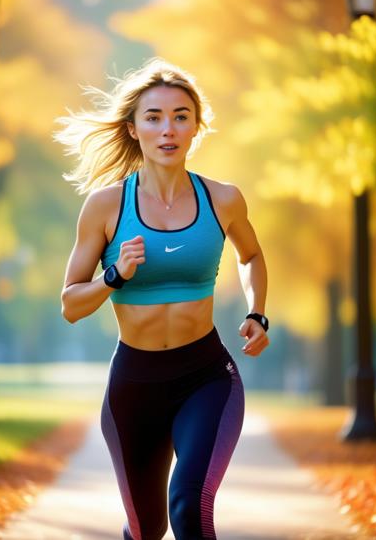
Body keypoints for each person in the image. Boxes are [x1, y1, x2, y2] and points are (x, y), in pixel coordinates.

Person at [55, 57, 269, 540]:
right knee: (145, 527)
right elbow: (71, 304)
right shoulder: (106, 206)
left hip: (206, 377)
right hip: (135, 384)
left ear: (196, 126)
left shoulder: (223, 199)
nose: (167, 129)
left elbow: (251, 255)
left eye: (180, 116)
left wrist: (258, 312)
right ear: (133, 129)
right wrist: (114, 275)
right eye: (153, 117)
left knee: (190, 510)